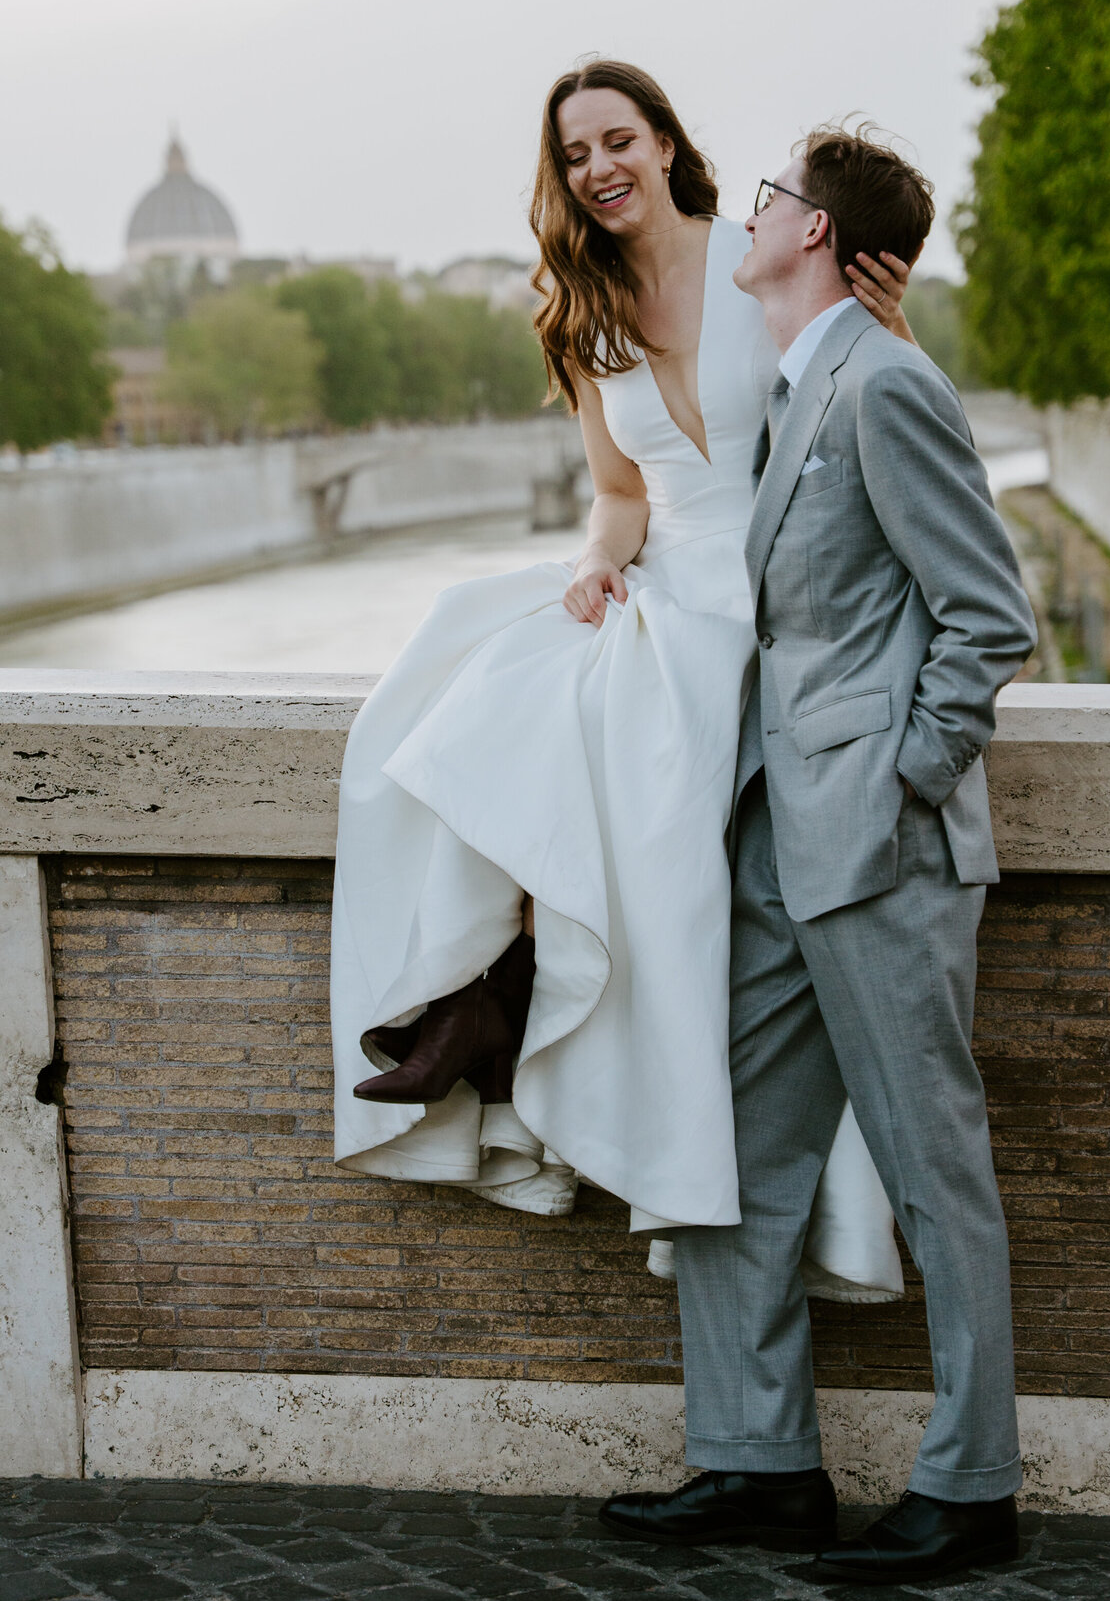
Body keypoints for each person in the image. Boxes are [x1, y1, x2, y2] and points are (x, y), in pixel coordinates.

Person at [329, 63, 910, 1299]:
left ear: (664, 145)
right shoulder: (581, 312)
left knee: (613, 726)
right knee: (471, 672)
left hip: (783, 599)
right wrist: (595, 566)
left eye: (616, 140)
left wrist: (892, 323)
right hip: (671, 582)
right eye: (575, 152)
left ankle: (509, 990)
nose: (597, 168)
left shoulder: (755, 257)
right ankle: (486, 984)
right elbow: (619, 495)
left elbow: (870, 399)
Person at [600, 127, 1038, 1583]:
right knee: (729, 1142)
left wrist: (906, 784)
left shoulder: (887, 383)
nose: (755, 207)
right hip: (780, 837)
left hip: (879, 845)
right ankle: (756, 1459)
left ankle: (972, 1491)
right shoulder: (804, 382)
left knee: (934, 1168)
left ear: (819, 234)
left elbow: (986, 615)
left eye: (776, 195)